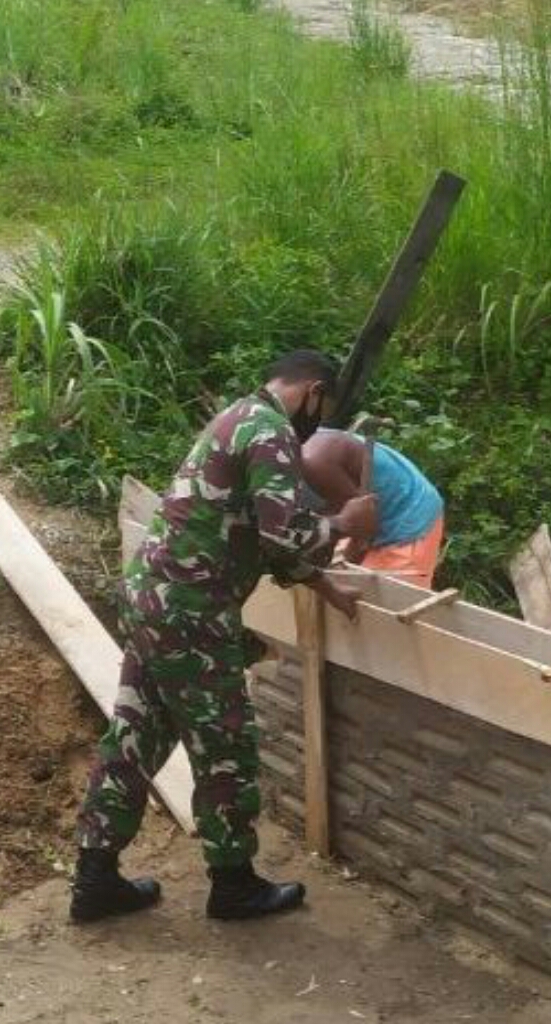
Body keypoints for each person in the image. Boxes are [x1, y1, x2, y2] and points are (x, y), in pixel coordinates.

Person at [72, 350, 366, 924]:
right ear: (312, 391)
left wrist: (325, 586)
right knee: (226, 747)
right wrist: (341, 524)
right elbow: (285, 531)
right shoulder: (272, 431)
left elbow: (247, 528)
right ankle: (234, 886)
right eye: (323, 408)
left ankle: (94, 879)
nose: (318, 421)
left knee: (135, 735)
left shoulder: (237, 417)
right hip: (192, 612)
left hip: (155, 598)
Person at [301, 427, 444, 590]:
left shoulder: (316, 462)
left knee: (387, 598)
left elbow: (362, 532)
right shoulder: (277, 448)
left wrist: (335, 576)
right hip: (358, 509)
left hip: (408, 514)